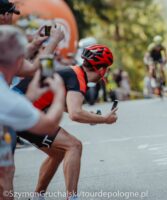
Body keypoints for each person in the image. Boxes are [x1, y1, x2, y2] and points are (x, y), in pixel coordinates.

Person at [14, 44, 118, 200]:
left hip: (18, 108)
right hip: (20, 112)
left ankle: (37, 196)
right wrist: (104, 119)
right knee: (74, 145)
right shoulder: (78, 79)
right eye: (107, 68)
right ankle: (72, 197)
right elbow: (75, 114)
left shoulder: (72, 72)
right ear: (102, 70)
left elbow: (65, 105)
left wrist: (89, 116)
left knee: (57, 153)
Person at [0, 25, 65, 200]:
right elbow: (49, 123)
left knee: (6, 173)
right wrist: (59, 94)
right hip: (14, 114)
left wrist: (36, 43)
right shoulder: (8, 100)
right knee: (5, 179)